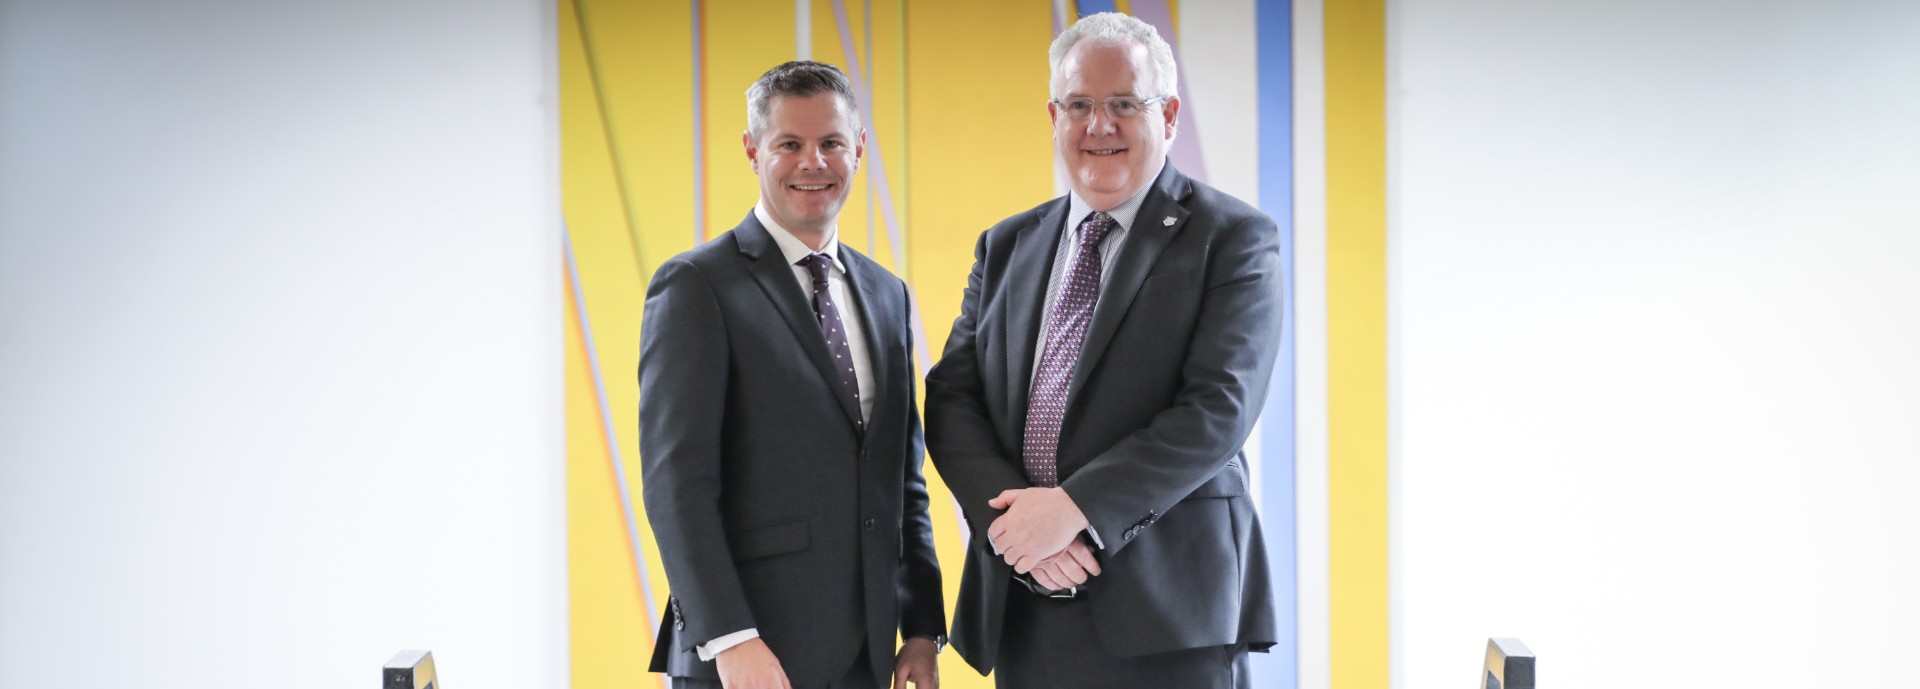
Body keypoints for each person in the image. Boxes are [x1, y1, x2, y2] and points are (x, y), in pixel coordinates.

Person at [923, 13, 1283, 689]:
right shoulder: (1006, 245)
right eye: (1080, 104)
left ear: (1169, 115)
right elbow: (952, 397)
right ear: (1054, 115)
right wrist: (1016, 526)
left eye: (1124, 104)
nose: (1100, 125)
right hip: (1028, 601)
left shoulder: (1232, 238)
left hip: (1170, 614)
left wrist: (1072, 510)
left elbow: (1218, 408)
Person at [640, 60, 944, 689]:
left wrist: (920, 626)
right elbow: (678, 485)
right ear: (753, 152)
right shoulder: (697, 286)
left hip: (866, 657)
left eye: (832, 142)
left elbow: (900, 477)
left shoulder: (888, 294)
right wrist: (731, 638)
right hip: (746, 660)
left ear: (858, 150)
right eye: (790, 144)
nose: (814, 162)